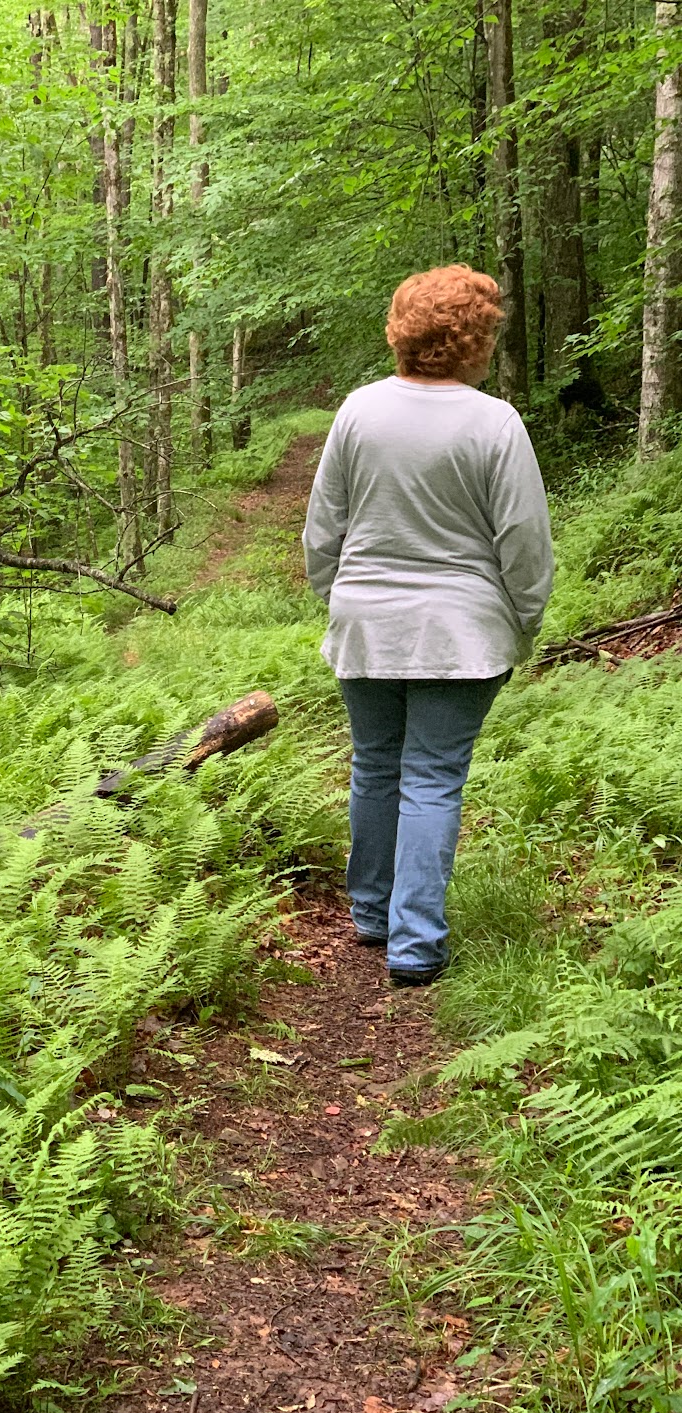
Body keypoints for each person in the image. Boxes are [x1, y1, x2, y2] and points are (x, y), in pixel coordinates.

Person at [302, 264, 553, 987]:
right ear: (476, 336)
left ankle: (373, 915)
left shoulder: (359, 412)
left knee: (375, 765)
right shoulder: (494, 423)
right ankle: (415, 945)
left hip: (366, 623)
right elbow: (524, 543)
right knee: (434, 779)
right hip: (463, 633)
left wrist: (341, 599)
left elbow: (325, 531)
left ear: (403, 330)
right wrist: (523, 623)